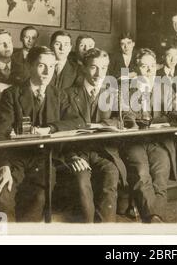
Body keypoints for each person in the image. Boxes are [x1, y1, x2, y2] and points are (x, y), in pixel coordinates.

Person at [0, 46, 70, 222]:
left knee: (39, 197)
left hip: (44, 159)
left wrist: (49, 129)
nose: (48, 72)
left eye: (52, 66)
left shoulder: (58, 95)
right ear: (29, 66)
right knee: (3, 195)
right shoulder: (11, 94)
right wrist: (4, 165)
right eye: (42, 65)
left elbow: (76, 121)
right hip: (14, 158)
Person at [51, 48, 126, 223]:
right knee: (82, 179)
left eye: (104, 68)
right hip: (76, 152)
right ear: (84, 68)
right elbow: (59, 128)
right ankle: (89, 229)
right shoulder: (67, 94)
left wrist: (102, 125)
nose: (99, 73)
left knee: (111, 173)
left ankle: (105, 231)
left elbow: (124, 120)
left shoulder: (114, 93)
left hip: (104, 152)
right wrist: (71, 156)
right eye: (93, 67)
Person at [122, 48, 177, 223]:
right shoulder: (127, 88)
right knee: (141, 172)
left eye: (152, 66)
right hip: (135, 140)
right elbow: (125, 114)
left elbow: (173, 114)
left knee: (161, 173)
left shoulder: (165, 88)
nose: (149, 70)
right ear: (136, 68)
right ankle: (153, 216)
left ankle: (155, 216)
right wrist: (137, 122)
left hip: (158, 141)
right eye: (144, 66)